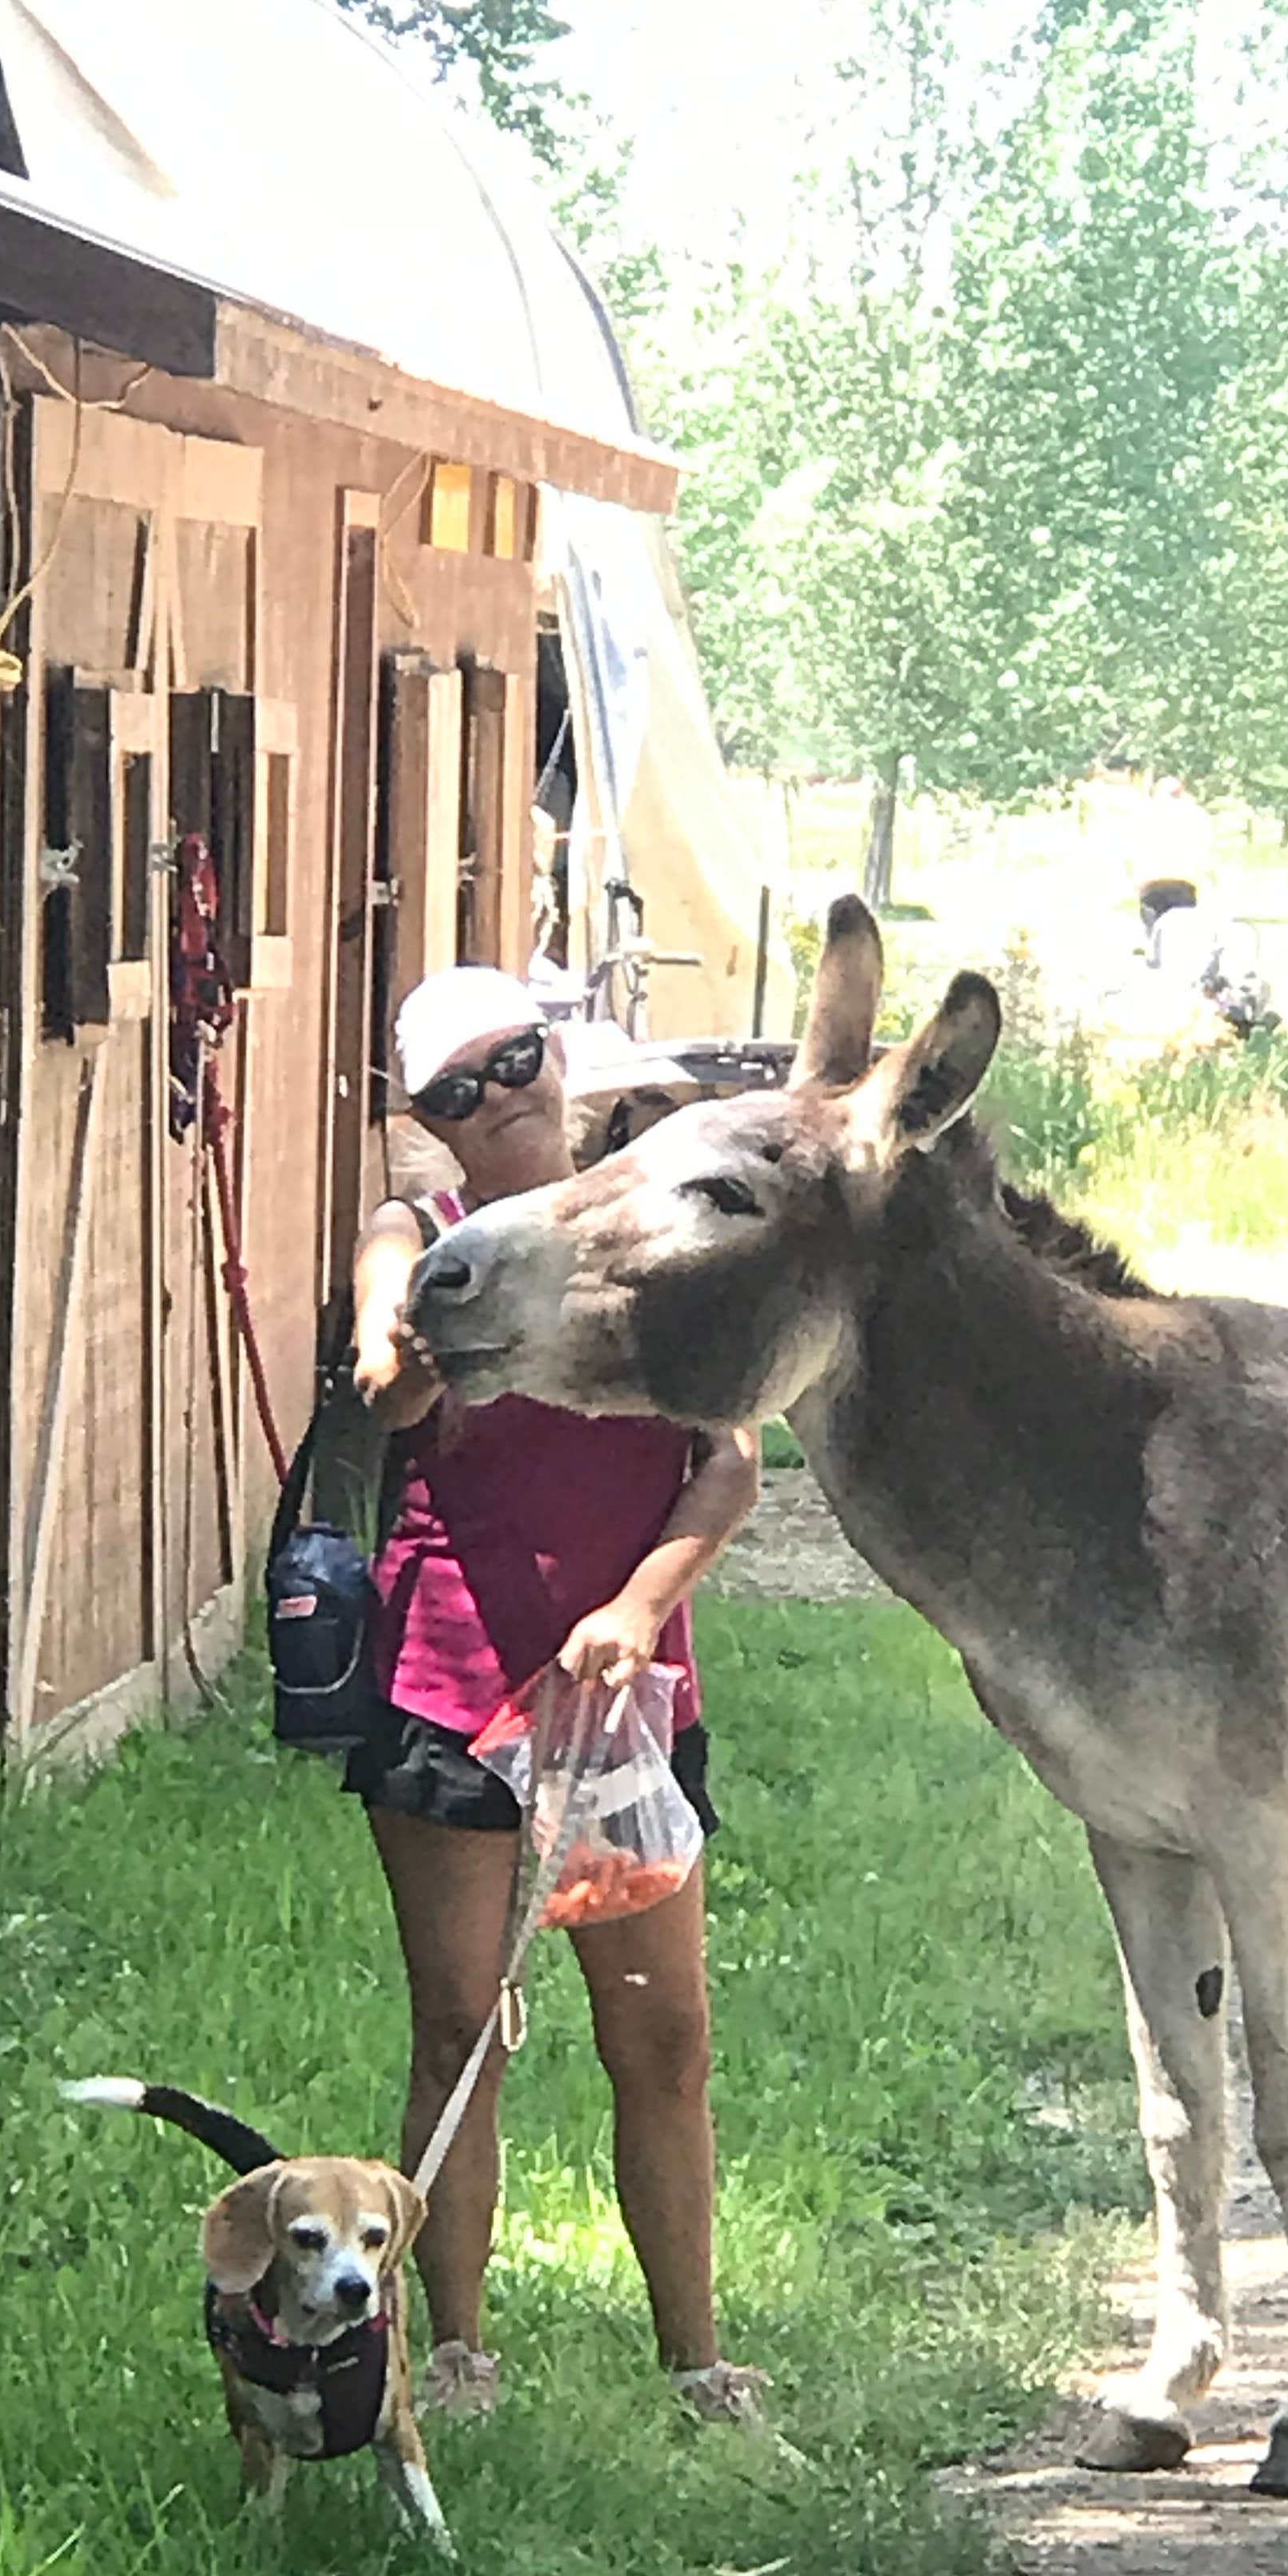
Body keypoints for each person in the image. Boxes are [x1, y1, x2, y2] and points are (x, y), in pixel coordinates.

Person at [348, 963, 767, 2424]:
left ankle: (698, 2366)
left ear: (559, 1055)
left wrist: (639, 1609)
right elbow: (387, 1390)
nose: (498, 1097)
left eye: (514, 1058)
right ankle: (454, 2355)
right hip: (451, 1681)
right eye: (455, 1089)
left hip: (626, 1700)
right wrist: (412, 1308)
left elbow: (729, 1459)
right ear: (430, 1124)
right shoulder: (421, 1233)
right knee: (462, 2024)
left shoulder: (646, 1225)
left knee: (660, 2033)